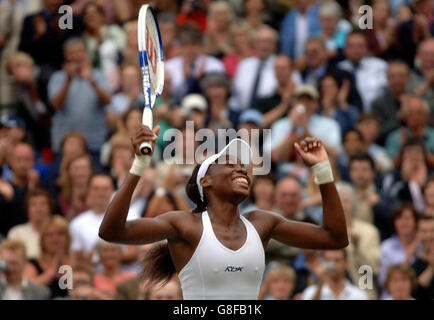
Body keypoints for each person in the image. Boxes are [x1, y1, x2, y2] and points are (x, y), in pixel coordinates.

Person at [99, 123, 348, 300]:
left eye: (242, 166)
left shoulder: (262, 222)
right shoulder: (185, 224)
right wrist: (140, 164)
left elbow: (335, 238)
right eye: (230, 164)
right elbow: (112, 231)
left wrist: (323, 171)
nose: (241, 170)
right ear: (205, 181)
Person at [48, 37, 112, 157]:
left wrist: (91, 80)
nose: (76, 56)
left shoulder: (98, 75)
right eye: (72, 53)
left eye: (79, 51)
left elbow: (108, 100)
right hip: (65, 144)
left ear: (86, 53)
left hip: (94, 143)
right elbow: (55, 105)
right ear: (66, 56)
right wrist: (68, 80)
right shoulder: (58, 77)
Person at [23, 215, 74, 299]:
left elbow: (78, 290)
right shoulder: (33, 263)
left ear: (67, 238)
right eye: (49, 235)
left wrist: (65, 269)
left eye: (60, 233)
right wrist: (53, 271)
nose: (55, 238)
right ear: (42, 240)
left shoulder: (77, 262)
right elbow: (27, 289)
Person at [337, 30, 388, 112]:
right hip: (349, 115)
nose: (356, 50)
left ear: (367, 48)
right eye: (351, 46)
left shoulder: (380, 66)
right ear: (345, 49)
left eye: (360, 46)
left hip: (376, 115)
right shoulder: (338, 69)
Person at [379, 204, 422, 286]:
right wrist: (408, 257)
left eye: (407, 218)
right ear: (394, 222)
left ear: (416, 221)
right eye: (399, 218)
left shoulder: (424, 244)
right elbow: (383, 281)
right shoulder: (386, 248)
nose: (404, 222)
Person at [301, 249, 368, 300]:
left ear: (346, 263)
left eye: (337, 260)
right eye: (328, 261)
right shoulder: (310, 292)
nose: (333, 265)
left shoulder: (359, 295)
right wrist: (320, 286)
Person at [371, 60, 411, 145]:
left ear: (408, 77)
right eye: (393, 76)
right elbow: (376, 134)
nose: (397, 80)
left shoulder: (417, 100)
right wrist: (399, 117)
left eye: (401, 76)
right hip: (386, 148)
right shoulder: (378, 103)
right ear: (387, 78)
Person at [7, 189, 53, 259]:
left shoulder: (58, 233)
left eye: (43, 204)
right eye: (33, 204)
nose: (38, 209)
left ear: (50, 208)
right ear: (27, 209)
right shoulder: (16, 232)